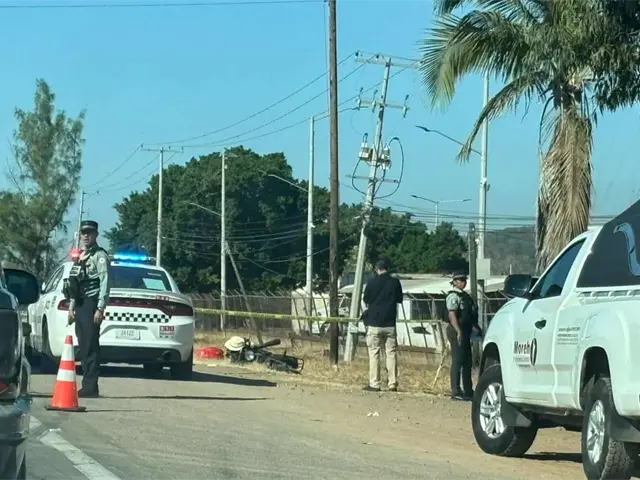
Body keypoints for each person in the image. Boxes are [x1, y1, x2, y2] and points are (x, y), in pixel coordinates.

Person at [66, 220, 111, 398]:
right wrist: (71, 306)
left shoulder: (100, 256)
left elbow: (105, 282)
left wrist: (100, 308)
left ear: (96, 235)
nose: (86, 236)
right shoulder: (81, 256)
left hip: (92, 303)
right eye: (83, 233)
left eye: (89, 233)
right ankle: (87, 385)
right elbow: (74, 284)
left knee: (91, 345)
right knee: (84, 344)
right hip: (80, 303)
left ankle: (90, 387)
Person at [362, 259, 403, 392]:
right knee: (391, 353)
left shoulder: (372, 282)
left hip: (374, 322)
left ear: (377, 269)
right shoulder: (395, 282)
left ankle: (374, 383)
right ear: (387, 268)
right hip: (390, 322)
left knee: (374, 353)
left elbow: (366, 299)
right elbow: (400, 299)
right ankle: (392, 383)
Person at [445, 273, 482, 401]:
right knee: (458, 360)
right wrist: (458, 331)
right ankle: (455, 390)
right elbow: (452, 315)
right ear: (454, 282)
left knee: (467, 361)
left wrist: (476, 328)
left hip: (466, 330)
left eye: (464, 280)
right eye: (460, 280)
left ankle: (468, 390)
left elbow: (470, 315)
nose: (463, 282)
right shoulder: (453, 296)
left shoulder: (465, 296)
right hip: (456, 330)